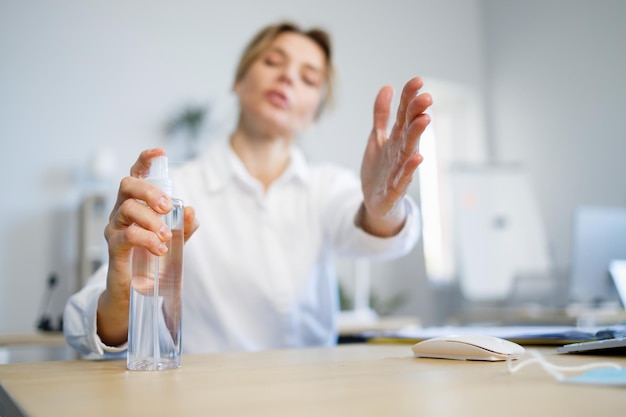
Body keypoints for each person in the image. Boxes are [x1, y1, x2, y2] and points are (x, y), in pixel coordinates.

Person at [64, 21, 433, 357]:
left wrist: (383, 207)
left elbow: (372, 228)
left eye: (308, 78)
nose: (288, 77)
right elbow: (85, 327)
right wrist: (124, 298)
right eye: (273, 61)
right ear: (239, 81)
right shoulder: (173, 194)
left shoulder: (326, 187)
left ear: (314, 114)